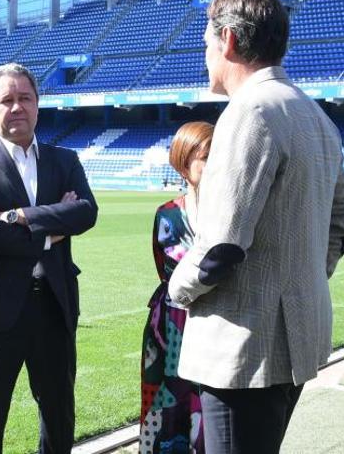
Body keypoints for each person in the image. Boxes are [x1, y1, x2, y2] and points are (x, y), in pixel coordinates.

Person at [167, 0, 344, 454]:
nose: (206, 55)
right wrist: (308, 273)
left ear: (229, 40)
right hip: (296, 334)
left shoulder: (248, 111)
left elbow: (222, 248)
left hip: (244, 346)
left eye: (207, 43)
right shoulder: (314, 113)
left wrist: (178, 288)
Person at [0, 62, 98, 453]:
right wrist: (52, 230)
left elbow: (85, 213)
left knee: (58, 417)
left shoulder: (64, 160)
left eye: (25, 98)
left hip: (54, 305)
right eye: (7, 100)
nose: (17, 107)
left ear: (38, 104)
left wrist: (19, 216)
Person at [141, 121, 213, 454]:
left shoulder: (232, 215)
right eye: (207, 157)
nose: (216, 165)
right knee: (167, 416)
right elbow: (164, 271)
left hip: (214, 326)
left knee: (211, 419)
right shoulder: (167, 215)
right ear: (184, 163)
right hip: (170, 329)